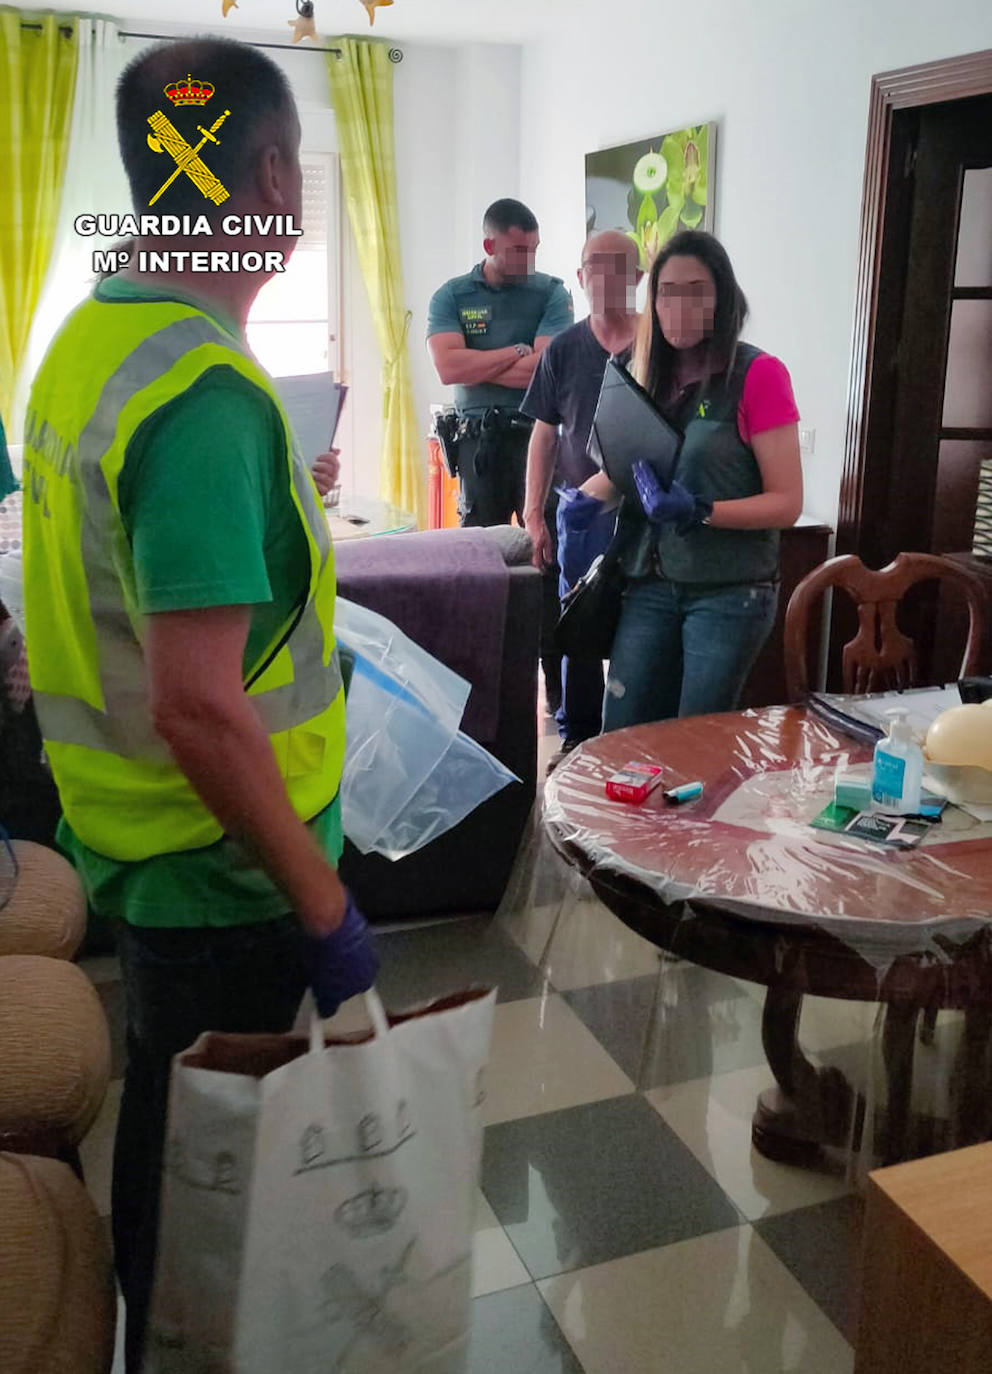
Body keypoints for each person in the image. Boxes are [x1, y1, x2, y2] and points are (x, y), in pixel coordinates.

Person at [20, 37, 377, 1371]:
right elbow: (201, 706)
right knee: (207, 1165)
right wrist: (326, 904)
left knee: (177, 1128)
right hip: (221, 865)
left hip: (129, 840)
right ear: (276, 174)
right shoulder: (204, 398)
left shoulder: (88, 344)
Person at [591, 229, 802, 730]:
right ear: (653, 299)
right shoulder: (636, 369)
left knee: (693, 743)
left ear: (721, 300)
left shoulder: (758, 375)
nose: (679, 306)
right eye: (668, 292)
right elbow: (620, 471)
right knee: (622, 732)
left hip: (729, 593)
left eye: (695, 292)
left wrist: (703, 510)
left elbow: (787, 502)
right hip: (648, 582)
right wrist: (576, 505)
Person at [427, 198, 573, 710]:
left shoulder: (553, 292)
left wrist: (481, 362)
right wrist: (516, 352)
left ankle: (557, 695)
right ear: (490, 246)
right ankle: (478, 693)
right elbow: (448, 369)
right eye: (517, 249)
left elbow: (545, 370)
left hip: (540, 441)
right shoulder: (452, 295)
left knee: (548, 559)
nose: (528, 259)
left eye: (533, 248)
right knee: (481, 565)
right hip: (479, 442)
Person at [520, 230, 642, 770]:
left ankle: (633, 740)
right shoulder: (565, 350)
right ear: (580, 277)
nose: (606, 275)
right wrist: (534, 515)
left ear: (638, 278)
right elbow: (544, 435)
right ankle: (578, 741)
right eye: (595, 265)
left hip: (647, 514)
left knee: (641, 626)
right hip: (581, 515)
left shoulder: (660, 346)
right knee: (580, 631)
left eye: (619, 265)